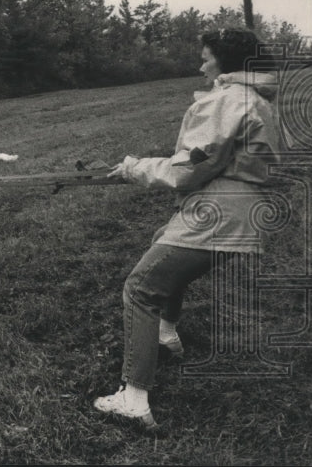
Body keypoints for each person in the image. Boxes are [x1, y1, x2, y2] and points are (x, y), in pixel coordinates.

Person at [93, 28, 281, 429]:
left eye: (206, 57)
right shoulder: (256, 100)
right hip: (239, 212)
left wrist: (133, 167)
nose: (200, 64)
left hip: (218, 212)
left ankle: (134, 398)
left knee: (140, 288)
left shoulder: (230, 99)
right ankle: (165, 334)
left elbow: (190, 168)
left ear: (224, 62)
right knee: (162, 243)